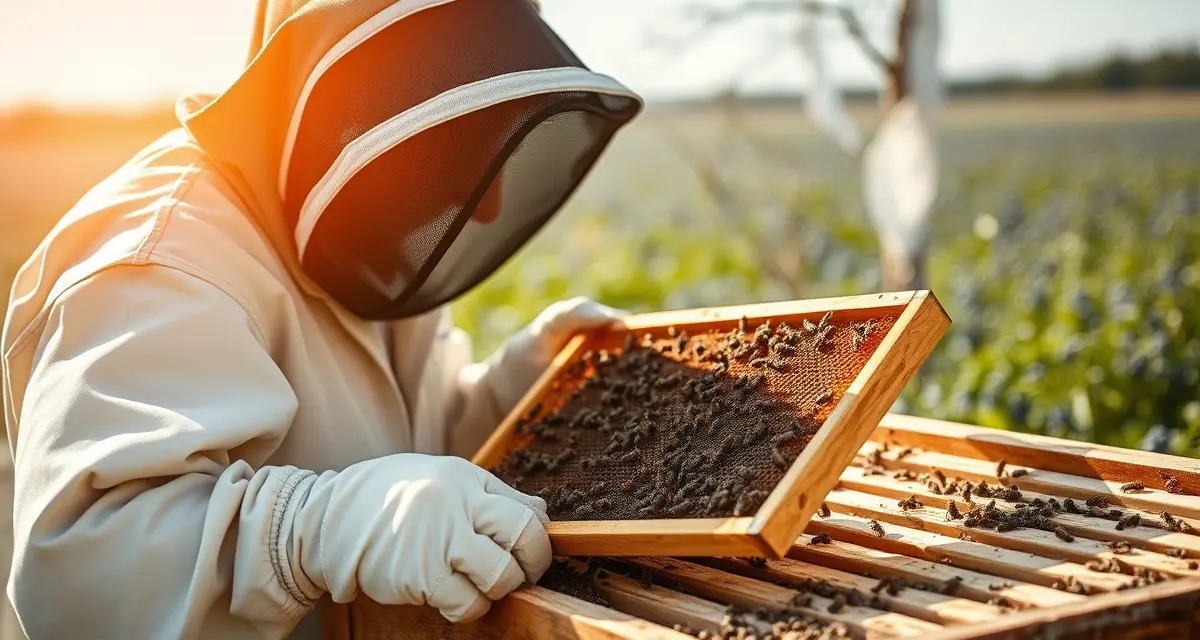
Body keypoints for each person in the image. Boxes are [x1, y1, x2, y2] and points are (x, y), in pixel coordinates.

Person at [0, 0, 643, 637]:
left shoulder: (365, 235)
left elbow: (403, 467)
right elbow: (81, 582)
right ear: (361, 103)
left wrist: (514, 398)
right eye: (459, 148)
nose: (484, 204)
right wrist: (308, 532)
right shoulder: (157, 266)